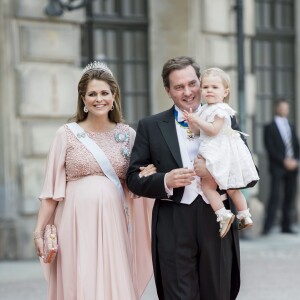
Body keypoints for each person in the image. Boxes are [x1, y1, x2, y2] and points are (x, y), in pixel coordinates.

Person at [33, 61, 155, 299]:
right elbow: (50, 192)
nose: (99, 99)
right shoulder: (66, 134)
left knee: (113, 281)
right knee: (79, 280)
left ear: (114, 96)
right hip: (73, 222)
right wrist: (38, 231)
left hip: (114, 223)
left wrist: (148, 176)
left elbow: (135, 185)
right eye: (92, 94)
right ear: (83, 99)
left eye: (104, 93)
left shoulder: (128, 135)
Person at [127, 56, 241, 300]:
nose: (188, 92)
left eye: (192, 84)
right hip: (172, 221)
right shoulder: (150, 125)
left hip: (217, 218)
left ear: (201, 83)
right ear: (168, 91)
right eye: (179, 87)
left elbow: (249, 173)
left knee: (218, 292)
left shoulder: (224, 119)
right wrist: (165, 180)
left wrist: (215, 173)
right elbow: (133, 178)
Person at [183, 67, 259, 238]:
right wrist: (191, 122)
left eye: (214, 87)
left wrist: (197, 120)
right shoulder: (204, 109)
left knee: (208, 186)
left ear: (225, 92)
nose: (209, 90)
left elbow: (212, 130)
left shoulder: (221, 110)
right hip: (216, 149)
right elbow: (197, 132)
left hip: (218, 152)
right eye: (205, 87)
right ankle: (244, 215)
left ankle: (223, 214)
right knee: (230, 187)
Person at [263, 99, 299, 235]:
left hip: (293, 167)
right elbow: (270, 148)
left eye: (286, 108)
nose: (284, 110)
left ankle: (287, 225)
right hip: (278, 166)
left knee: (290, 196)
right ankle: (268, 226)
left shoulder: (291, 125)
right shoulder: (269, 127)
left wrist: (296, 161)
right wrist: (284, 161)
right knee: (275, 196)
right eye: (282, 107)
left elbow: (296, 145)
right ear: (276, 108)